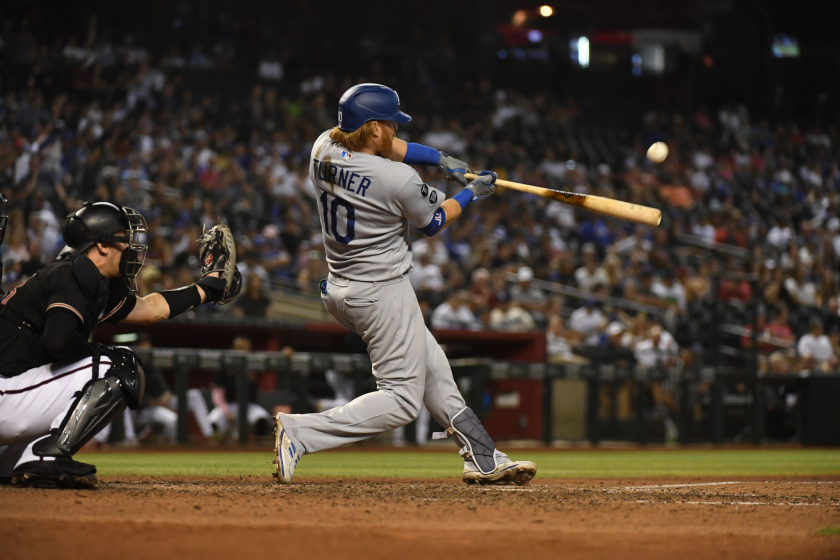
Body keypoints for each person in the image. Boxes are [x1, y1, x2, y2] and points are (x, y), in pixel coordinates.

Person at [273, 83, 536, 485]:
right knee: (401, 401)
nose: (396, 132)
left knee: (435, 369)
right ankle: (302, 432)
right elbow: (433, 222)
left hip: (342, 286)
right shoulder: (396, 179)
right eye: (391, 125)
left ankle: (482, 455)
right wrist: (470, 192)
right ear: (375, 129)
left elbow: (388, 149)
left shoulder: (322, 146)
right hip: (380, 292)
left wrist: (439, 159)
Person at [0, 202, 239, 488]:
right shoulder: (72, 275)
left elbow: (151, 309)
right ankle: (45, 457)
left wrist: (207, 288)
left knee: (108, 361)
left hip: (14, 391)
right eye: (125, 239)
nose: (132, 247)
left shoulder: (86, 276)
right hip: (7, 394)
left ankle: (12, 461)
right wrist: (100, 355)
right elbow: (58, 341)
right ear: (101, 245)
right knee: (118, 364)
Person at [208, 336, 274, 440]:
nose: (242, 351)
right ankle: (216, 448)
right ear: (233, 349)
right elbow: (217, 393)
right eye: (239, 347)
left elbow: (272, 363)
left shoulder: (254, 363)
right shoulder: (225, 365)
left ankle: (257, 450)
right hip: (229, 406)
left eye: (246, 348)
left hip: (249, 406)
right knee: (212, 421)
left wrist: (285, 353)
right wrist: (226, 411)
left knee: (262, 421)